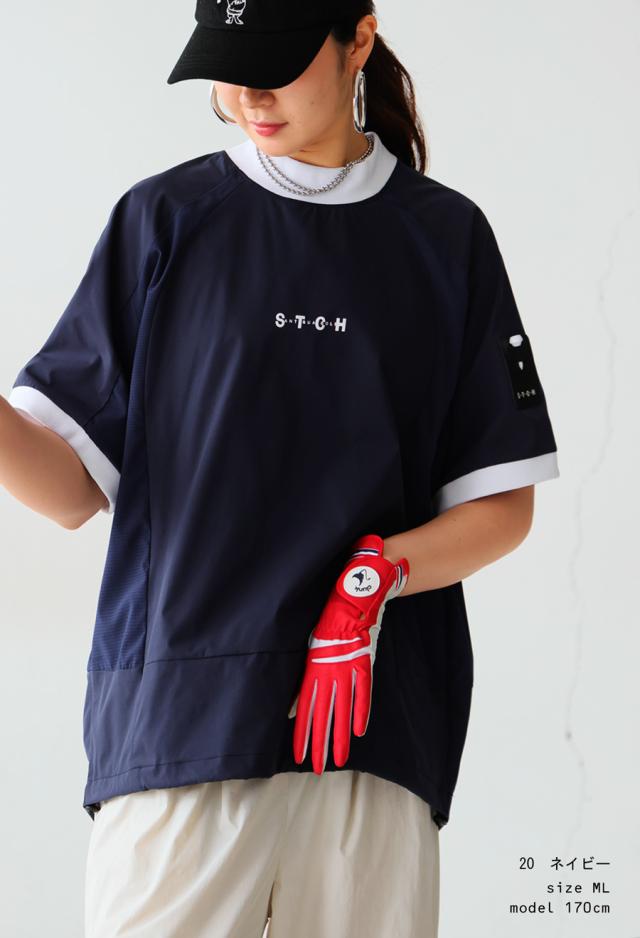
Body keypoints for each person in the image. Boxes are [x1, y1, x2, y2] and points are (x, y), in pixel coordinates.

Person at [0, 1, 560, 936]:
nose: (248, 94)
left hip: (372, 731)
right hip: (181, 729)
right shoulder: (165, 221)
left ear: (359, 38)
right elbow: (68, 491)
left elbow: (502, 504)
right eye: (228, 67)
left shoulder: (445, 239)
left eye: (276, 62)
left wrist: (375, 578)